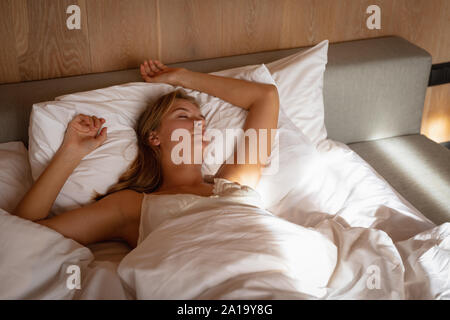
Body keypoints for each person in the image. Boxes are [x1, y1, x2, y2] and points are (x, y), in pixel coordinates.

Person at [13, 59, 280, 248]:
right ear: (154, 137)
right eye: (183, 115)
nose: (199, 123)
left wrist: (181, 77)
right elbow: (24, 231)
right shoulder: (132, 207)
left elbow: (266, 96)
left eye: (202, 119)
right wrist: (71, 153)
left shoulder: (234, 183)